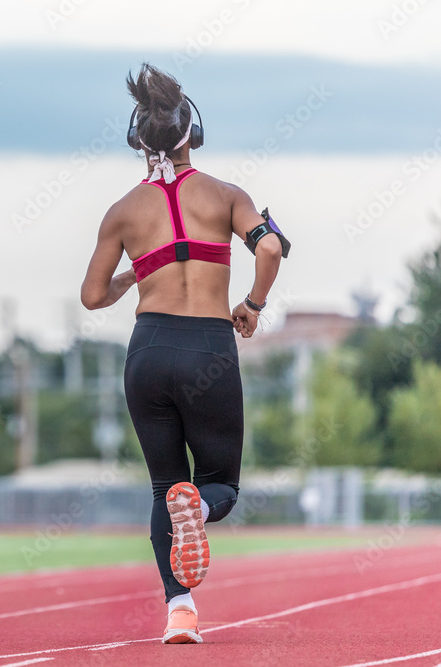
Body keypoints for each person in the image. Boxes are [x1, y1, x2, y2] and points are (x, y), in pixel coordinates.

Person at [80, 63, 287, 644]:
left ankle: (180, 611)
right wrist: (251, 303)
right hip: (209, 349)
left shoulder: (122, 211)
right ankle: (198, 509)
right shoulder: (225, 196)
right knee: (217, 484)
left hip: (147, 352)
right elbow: (270, 247)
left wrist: (132, 277)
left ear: (138, 141)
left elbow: (93, 296)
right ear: (192, 133)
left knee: (161, 487)